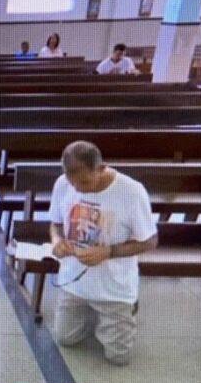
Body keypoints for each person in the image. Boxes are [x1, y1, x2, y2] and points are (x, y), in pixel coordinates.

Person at [48, 141, 158, 366]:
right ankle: (92, 314)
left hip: (114, 286)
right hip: (75, 281)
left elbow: (149, 241)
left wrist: (108, 252)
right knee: (66, 339)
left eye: (85, 182)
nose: (78, 189)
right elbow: (55, 224)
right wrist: (57, 241)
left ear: (101, 168)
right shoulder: (63, 184)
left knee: (118, 357)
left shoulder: (131, 192)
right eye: (72, 183)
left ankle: (126, 309)